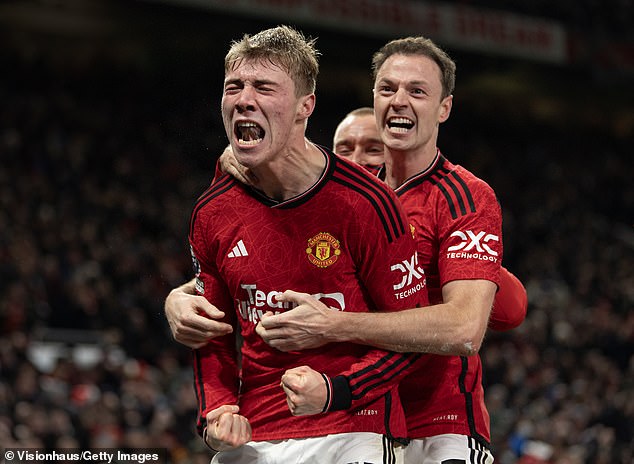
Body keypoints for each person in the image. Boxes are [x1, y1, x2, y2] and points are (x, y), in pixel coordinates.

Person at [254, 37, 524, 463]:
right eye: (387, 89)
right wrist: (186, 293)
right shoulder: (347, 199)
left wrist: (334, 325)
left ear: (444, 108)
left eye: (417, 91)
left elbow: (464, 329)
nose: (399, 100)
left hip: (439, 425)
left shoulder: (465, 197)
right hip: (353, 418)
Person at [187, 25, 427, 463]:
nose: (244, 99)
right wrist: (217, 413)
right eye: (234, 87)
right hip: (255, 434)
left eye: (263, 87)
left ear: (305, 107)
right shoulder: (212, 212)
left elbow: (412, 337)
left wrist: (337, 390)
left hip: (356, 426)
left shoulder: (367, 203)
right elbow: (212, 338)